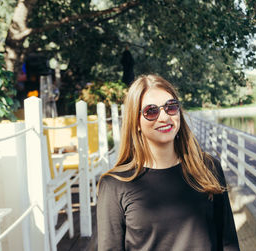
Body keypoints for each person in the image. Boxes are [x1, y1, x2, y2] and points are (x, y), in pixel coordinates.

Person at [97, 74, 240, 251]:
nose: (164, 117)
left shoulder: (208, 168)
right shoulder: (114, 185)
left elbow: (228, 242)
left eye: (170, 107)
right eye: (151, 111)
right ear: (136, 122)